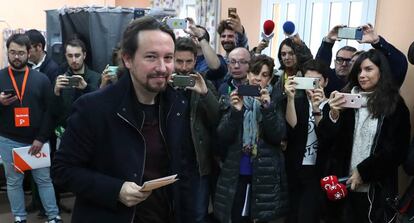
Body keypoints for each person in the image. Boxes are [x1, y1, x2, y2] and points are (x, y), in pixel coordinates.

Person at [52, 16, 191, 222]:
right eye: (151, 57)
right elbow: (63, 171)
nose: (162, 67)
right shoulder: (94, 108)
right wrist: (115, 190)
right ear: (127, 59)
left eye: (168, 57)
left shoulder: (176, 105)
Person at [318, 49, 411, 222]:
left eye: (369, 69)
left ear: (381, 72)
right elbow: (326, 141)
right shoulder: (344, 98)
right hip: (341, 189)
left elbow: (397, 151)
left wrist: (364, 171)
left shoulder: (395, 106)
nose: (362, 75)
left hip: (376, 191)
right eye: (359, 70)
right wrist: (334, 114)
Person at [214, 54, 289, 223]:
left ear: (269, 79)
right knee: (236, 217)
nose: (258, 79)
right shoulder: (233, 97)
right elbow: (222, 136)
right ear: (248, 75)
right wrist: (235, 111)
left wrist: (267, 108)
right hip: (237, 171)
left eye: (264, 75)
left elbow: (278, 136)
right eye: (255, 73)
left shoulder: (275, 100)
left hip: (265, 174)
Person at [0, 34, 61, 223]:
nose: (16, 57)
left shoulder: (41, 79)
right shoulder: (0, 77)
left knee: (44, 181)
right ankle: (19, 217)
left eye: (20, 53)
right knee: (14, 182)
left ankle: (53, 216)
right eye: (12, 52)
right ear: (7, 52)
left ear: (28, 53)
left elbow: (50, 112)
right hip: (8, 139)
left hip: (37, 141)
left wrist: (41, 138)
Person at [173, 37, 220, 223]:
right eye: (179, 61)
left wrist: (205, 94)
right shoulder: (162, 85)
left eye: (188, 61)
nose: (184, 67)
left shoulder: (204, 83)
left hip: (197, 164)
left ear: (195, 60)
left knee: (198, 215)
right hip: (170, 163)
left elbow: (218, 119)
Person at [283, 59, 330, 223]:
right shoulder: (298, 101)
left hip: (318, 169)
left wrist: (318, 107)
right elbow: (292, 126)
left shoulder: (331, 105)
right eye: (308, 81)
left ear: (326, 82)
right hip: (295, 166)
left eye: (316, 81)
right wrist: (290, 99)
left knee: (308, 214)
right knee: (292, 213)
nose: (312, 86)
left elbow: (327, 135)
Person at [316, 24, 408, 95]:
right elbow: (317, 70)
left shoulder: (364, 82)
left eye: (349, 61)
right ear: (335, 62)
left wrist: (377, 42)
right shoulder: (327, 79)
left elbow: (400, 65)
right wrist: (328, 42)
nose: (344, 64)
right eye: (340, 59)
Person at [52, 38, 100, 128]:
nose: (74, 60)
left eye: (77, 55)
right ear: (65, 56)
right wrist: (56, 93)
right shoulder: (61, 79)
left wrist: (86, 88)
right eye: (70, 56)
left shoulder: (96, 78)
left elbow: (100, 108)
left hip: (90, 132)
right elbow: (54, 112)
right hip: (66, 131)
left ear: (84, 55)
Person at [184, 19, 228, 89]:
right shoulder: (184, 60)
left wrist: (201, 37)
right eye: (192, 34)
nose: (195, 36)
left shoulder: (217, 59)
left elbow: (216, 68)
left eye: (198, 34)